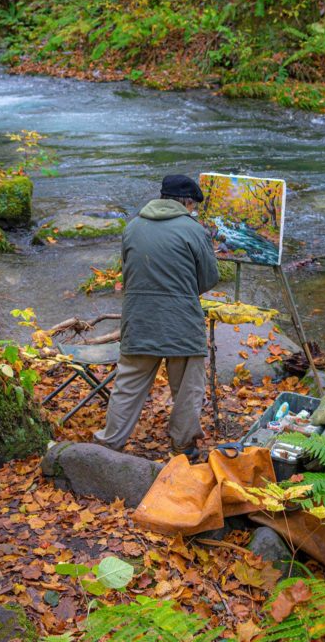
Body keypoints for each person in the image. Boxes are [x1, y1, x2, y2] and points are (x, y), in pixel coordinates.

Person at [94, 173, 219, 460]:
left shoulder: (133, 226)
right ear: (188, 203)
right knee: (188, 389)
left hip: (138, 319)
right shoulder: (194, 230)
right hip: (182, 322)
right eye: (193, 207)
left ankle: (108, 443)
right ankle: (184, 447)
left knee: (127, 386)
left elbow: (129, 274)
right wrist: (183, 290)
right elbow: (209, 278)